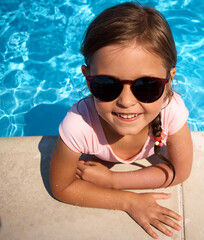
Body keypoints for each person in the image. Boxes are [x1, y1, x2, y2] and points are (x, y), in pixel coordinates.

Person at [49, 2, 193, 239]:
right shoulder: (79, 124)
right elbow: (61, 187)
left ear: (169, 79)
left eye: (146, 86)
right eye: (107, 85)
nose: (126, 101)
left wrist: (113, 180)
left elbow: (180, 172)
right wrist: (129, 201)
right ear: (88, 79)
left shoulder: (171, 110)